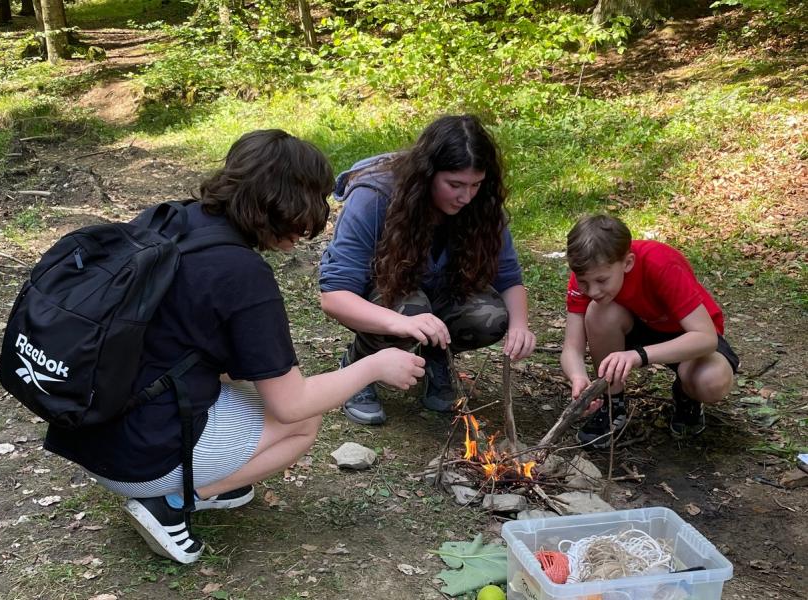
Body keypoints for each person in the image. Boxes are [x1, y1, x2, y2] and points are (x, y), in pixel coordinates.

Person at [43, 130, 425, 564]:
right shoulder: (242, 274)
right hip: (134, 459)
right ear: (287, 202)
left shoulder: (170, 218)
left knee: (248, 387)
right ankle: (173, 502)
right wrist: (375, 365)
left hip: (87, 427)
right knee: (304, 422)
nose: (313, 219)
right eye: (314, 201)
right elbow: (292, 404)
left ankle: (193, 479)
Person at [319, 114, 536, 425]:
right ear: (427, 174)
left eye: (475, 185)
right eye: (454, 185)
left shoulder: (482, 205)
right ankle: (360, 367)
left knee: (490, 315)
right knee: (411, 308)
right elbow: (334, 296)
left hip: (439, 292)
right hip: (384, 297)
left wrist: (520, 326)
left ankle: (436, 357)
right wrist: (402, 323)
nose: (466, 196)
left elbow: (509, 278)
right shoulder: (374, 197)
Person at [559, 214, 739, 448]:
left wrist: (638, 355)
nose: (592, 290)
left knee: (711, 381)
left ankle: (687, 394)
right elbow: (571, 348)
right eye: (584, 283)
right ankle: (613, 404)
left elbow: (706, 338)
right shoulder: (588, 273)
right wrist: (578, 378)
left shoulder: (660, 263)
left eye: (602, 281)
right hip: (636, 325)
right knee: (598, 311)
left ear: (628, 263)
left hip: (686, 335)